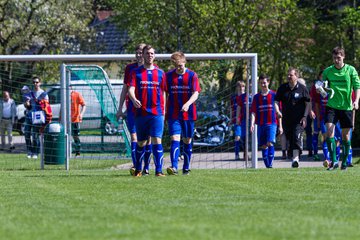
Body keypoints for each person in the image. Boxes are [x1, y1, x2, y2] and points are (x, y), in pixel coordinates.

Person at [128, 45, 167, 177]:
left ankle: (159, 171)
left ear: (154, 56)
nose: (149, 55)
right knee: (141, 142)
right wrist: (133, 99)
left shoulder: (161, 73)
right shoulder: (136, 73)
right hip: (141, 113)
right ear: (143, 55)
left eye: (151, 53)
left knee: (157, 140)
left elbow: (163, 93)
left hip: (157, 113)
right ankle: (138, 169)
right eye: (147, 53)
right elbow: (130, 89)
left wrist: (164, 110)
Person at [116, 43, 154, 175]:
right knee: (134, 137)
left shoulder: (153, 69)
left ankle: (146, 167)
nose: (139, 55)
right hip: (132, 108)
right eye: (137, 53)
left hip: (148, 109)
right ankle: (136, 165)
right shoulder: (130, 69)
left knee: (148, 139)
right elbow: (125, 89)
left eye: (141, 53)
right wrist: (120, 108)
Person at [322, 46, 360, 170]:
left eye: (338, 58)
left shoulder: (350, 70)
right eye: (334, 58)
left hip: (346, 107)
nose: (336, 60)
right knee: (329, 132)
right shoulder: (328, 71)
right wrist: (321, 89)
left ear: (343, 57)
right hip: (331, 106)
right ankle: (334, 161)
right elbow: (323, 87)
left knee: (346, 137)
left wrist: (356, 101)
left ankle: (344, 162)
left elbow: (357, 87)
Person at [165, 51, 201, 175]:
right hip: (173, 113)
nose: (179, 68)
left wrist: (187, 104)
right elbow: (165, 93)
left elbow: (196, 93)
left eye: (180, 65)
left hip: (188, 114)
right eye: (176, 66)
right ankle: (174, 167)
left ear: (184, 62)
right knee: (174, 138)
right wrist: (164, 110)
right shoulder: (168, 76)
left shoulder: (192, 75)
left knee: (187, 140)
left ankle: (186, 167)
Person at [275, 67, 311, 168]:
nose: (289, 76)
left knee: (296, 136)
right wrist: (277, 111)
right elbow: (276, 101)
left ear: (296, 76)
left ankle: (295, 159)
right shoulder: (282, 88)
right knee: (290, 140)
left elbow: (308, 103)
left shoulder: (302, 88)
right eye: (288, 75)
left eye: (291, 75)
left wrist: (305, 116)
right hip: (286, 119)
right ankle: (294, 154)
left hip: (299, 120)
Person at [250, 74, 282, 168]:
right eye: (261, 83)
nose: (263, 85)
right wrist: (252, 124)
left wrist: (280, 126)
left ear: (268, 82)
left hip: (272, 123)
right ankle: (267, 165)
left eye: (264, 82)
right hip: (260, 124)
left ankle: (270, 165)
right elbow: (253, 112)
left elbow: (278, 112)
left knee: (270, 142)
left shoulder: (274, 95)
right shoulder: (256, 97)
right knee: (263, 145)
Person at [23, 77, 51, 159]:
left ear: (40, 83)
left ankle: (35, 152)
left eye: (36, 82)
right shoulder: (29, 93)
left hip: (38, 117)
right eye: (34, 82)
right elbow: (26, 106)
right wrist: (27, 104)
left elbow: (47, 106)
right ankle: (29, 151)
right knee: (27, 133)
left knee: (35, 135)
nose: (35, 84)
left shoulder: (44, 94)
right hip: (29, 116)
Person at [230, 81, 245, 160]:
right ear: (237, 88)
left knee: (245, 138)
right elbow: (231, 109)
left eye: (242, 86)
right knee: (237, 137)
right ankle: (237, 154)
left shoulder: (246, 96)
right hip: (237, 120)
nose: (241, 88)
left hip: (245, 120)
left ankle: (245, 154)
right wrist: (231, 119)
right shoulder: (233, 97)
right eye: (239, 86)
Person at [71, 88, 86, 157]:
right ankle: (67, 152)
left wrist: (81, 114)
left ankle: (78, 152)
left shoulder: (76, 94)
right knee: (65, 136)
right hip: (66, 120)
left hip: (75, 120)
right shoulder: (64, 95)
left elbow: (84, 105)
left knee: (75, 136)